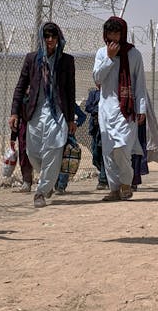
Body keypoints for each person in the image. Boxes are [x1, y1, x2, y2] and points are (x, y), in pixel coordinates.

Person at [9, 22, 76, 208]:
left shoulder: (67, 61)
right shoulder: (32, 59)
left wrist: (70, 119)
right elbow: (20, 87)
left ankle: (42, 191)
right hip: (35, 113)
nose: (50, 40)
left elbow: (70, 91)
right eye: (47, 36)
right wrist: (14, 112)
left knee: (53, 150)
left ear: (59, 38)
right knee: (33, 152)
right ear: (41, 38)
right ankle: (49, 177)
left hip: (58, 113)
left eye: (54, 36)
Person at [93, 16, 147, 201]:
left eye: (117, 33)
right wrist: (108, 58)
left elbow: (140, 83)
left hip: (127, 110)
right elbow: (98, 78)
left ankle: (126, 182)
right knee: (108, 150)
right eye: (110, 33)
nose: (113, 37)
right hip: (106, 110)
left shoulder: (134, 54)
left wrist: (142, 108)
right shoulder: (101, 53)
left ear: (122, 33)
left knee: (122, 148)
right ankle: (114, 189)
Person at [83, 85, 108, 189]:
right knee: (95, 154)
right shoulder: (93, 94)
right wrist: (98, 110)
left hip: (106, 127)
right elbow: (88, 107)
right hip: (95, 127)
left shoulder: (109, 94)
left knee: (103, 153)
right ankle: (105, 174)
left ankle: (103, 180)